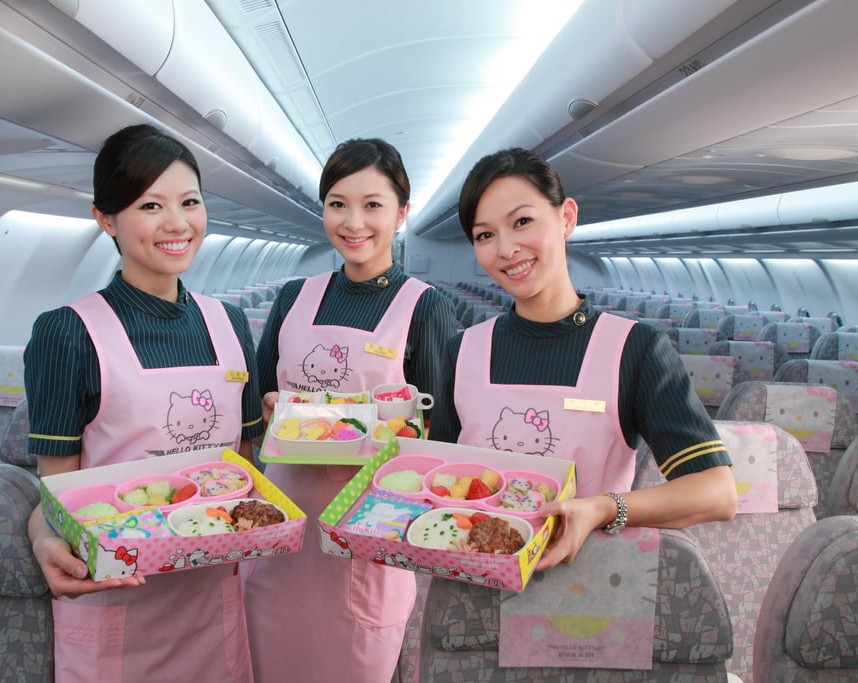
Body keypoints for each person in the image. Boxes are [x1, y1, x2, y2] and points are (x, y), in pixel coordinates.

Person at [24, 123, 263, 683]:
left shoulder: (228, 323)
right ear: (105, 218)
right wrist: (42, 539)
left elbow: (248, 470)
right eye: (150, 205)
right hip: (115, 600)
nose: (177, 223)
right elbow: (56, 494)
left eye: (190, 202)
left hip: (214, 593)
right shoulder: (67, 333)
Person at [431, 147, 737, 567]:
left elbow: (717, 492)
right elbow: (441, 481)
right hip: (471, 584)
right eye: (485, 235)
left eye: (522, 222)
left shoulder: (636, 349)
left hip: (588, 587)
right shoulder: (461, 349)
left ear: (566, 218)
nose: (506, 249)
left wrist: (604, 508)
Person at [242, 138, 457, 682]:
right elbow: (260, 397)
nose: (353, 221)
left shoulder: (425, 306)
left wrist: (401, 429)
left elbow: (443, 438)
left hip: (371, 535)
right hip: (283, 534)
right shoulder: (294, 296)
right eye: (337, 204)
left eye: (373, 205)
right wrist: (268, 407)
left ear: (402, 213)